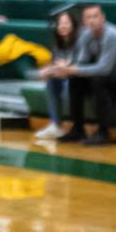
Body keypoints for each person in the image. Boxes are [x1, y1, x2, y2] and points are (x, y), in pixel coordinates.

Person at [54, 4, 116, 146]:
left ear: (103, 18)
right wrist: (67, 67)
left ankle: (103, 132)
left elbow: (104, 69)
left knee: (98, 81)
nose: (92, 21)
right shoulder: (86, 35)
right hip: (110, 78)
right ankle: (78, 129)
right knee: (76, 80)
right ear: (84, 21)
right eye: (88, 17)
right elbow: (81, 62)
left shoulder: (112, 35)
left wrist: (72, 69)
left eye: (95, 16)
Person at [35, 9, 81, 140]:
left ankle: (75, 127)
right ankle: (55, 124)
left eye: (66, 23)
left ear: (73, 25)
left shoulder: (81, 42)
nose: (63, 26)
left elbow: (80, 64)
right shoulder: (57, 45)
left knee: (69, 87)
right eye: (60, 24)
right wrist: (48, 71)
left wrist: (65, 68)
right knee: (51, 82)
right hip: (65, 77)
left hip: (80, 79)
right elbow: (56, 65)